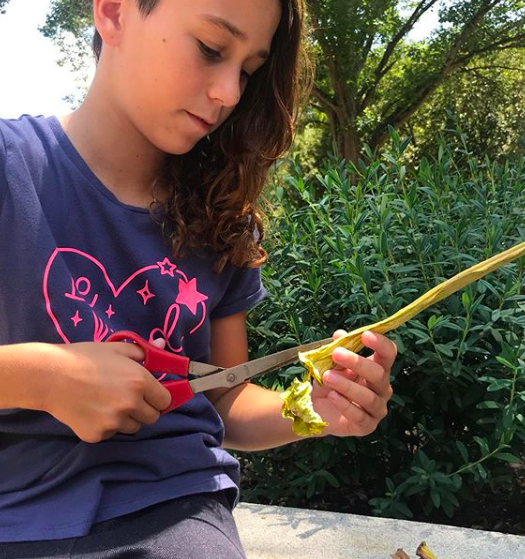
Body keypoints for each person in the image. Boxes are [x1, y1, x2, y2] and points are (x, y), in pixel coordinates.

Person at [0, 0, 397, 556]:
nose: (230, 93)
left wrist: (314, 410)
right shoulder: (11, 167)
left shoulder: (223, 219)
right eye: (211, 48)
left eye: (249, 71)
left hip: (175, 511)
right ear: (112, 12)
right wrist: (43, 380)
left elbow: (225, 399)